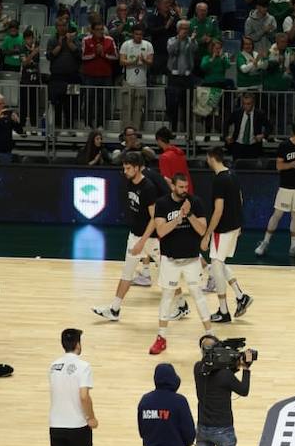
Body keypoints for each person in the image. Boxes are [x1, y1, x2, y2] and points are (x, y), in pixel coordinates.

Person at [93, 154, 170, 323]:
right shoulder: (129, 183)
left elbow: (154, 218)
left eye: (128, 168)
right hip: (135, 235)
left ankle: (182, 304)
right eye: (124, 168)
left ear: (137, 168)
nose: (125, 171)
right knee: (126, 273)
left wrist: (142, 241)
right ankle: (114, 309)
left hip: (150, 239)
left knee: (168, 272)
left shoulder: (148, 188)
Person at [190, 333, 254, 446]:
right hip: (224, 431)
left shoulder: (197, 368)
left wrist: (234, 363)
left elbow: (217, 372)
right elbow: (243, 390)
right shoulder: (225, 375)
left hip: (203, 428)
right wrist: (246, 368)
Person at [149, 172, 212, 356]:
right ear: (174, 187)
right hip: (170, 260)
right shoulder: (162, 204)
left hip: (192, 259)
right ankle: (161, 338)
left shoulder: (196, 202)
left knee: (197, 295)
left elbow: (202, 230)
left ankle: (210, 334)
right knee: (167, 297)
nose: (185, 190)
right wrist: (177, 219)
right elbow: (160, 231)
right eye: (181, 187)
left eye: (186, 187)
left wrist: (189, 214)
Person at [48, 327, 97, 446]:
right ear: (78, 344)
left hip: (56, 422)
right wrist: (91, 418)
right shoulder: (83, 366)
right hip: (77, 423)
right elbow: (84, 396)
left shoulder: (52, 366)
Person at [201, 147, 252, 323]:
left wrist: (207, 234)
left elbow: (218, 210)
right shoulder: (233, 174)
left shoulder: (218, 180)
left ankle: (224, 311)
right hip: (235, 225)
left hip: (222, 229)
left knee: (216, 265)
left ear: (211, 158)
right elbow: (241, 200)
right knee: (219, 262)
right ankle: (240, 296)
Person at [254, 115, 295, 260]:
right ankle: (265, 242)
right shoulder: (285, 146)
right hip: (286, 186)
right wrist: (294, 163)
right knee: (278, 214)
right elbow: (279, 166)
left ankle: (294, 246)